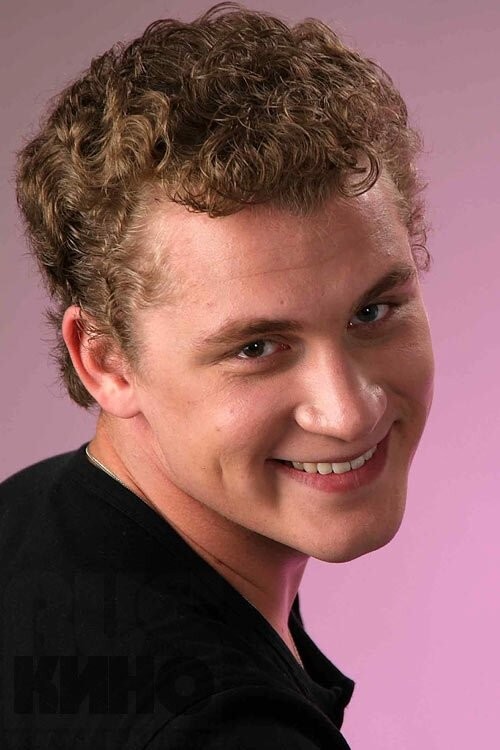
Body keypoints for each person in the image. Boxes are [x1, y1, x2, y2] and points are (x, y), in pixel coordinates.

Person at [1, 2, 435, 748]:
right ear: (104, 360)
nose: (349, 411)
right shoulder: (220, 727)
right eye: (257, 348)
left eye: (372, 312)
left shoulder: (27, 519)